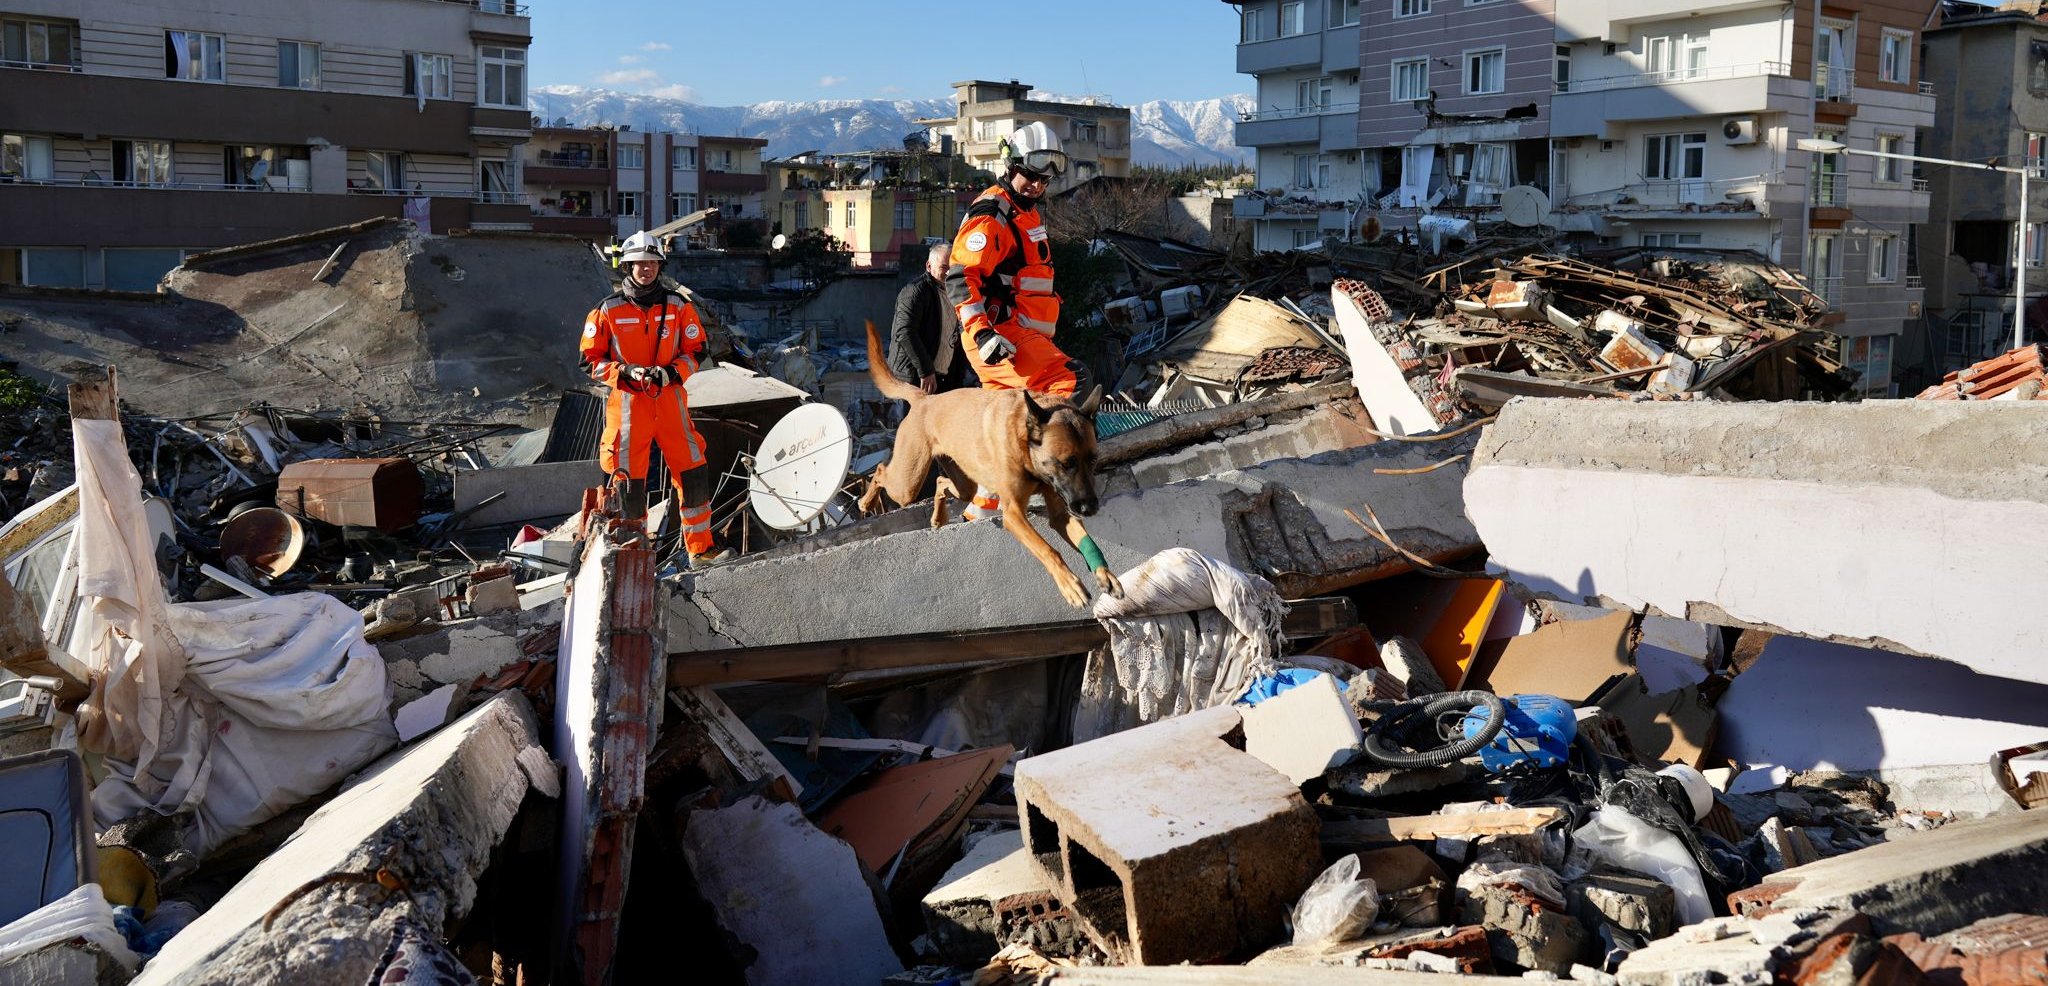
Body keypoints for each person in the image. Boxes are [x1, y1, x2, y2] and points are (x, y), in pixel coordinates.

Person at [945, 120, 1086, 519]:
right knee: (1068, 380)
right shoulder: (993, 215)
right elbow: (960, 276)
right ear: (1009, 166)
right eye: (1029, 176)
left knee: (1008, 416)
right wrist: (982, 331)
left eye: (1043, 180)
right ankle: (1046, 469)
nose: (1036, 185)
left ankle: (982, 512)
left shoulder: (1026, 212)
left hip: (1012, 334)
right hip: (997, 335)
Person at [579, 230, 727, 565]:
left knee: (693, 471)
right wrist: (625, 372)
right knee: (628, 485)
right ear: (627, 265)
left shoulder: (678, 307)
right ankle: (634, 557)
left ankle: (701, 549)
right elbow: (590, 360)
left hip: (670, 401)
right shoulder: (607, 311)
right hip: (629, 408)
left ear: (660, 265)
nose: (646, 268)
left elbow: (696, 350)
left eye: (652, 262)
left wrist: (672, 373)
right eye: (639, 262)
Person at [887, 242, 969, 396]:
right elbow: (905, 332)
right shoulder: (914, 292)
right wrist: (926, 371)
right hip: (914, 380)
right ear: (929, 266)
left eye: (953, 267)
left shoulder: (956, 293)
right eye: (944, 268)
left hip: (944, 381)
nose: (949, 272)